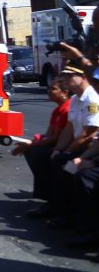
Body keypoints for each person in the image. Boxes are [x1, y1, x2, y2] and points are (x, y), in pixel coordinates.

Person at [38, 65, 99, 228]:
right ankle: (54, 204)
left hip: (87, 148)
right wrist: (58, 149)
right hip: (77, 145)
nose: (66, 80)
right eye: (64, 76)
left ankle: (70, 215)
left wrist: (67, 152)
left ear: (83, 77)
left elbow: (88, 133)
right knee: (44, 156)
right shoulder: (74, 100)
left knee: (66, 167)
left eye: (70, 76)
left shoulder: (92, 100)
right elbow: (69, 128)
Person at [21, 77, 72, 216]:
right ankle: (48, 198)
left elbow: (56, 138)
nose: (49, 92)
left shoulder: (67, 109)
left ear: (65, 92)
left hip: (65, 146)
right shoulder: (57, 110)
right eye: (49, 88)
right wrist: (33, 141)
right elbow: (49, 134)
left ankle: (53, 201)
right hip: (56, 144)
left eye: (53, 89)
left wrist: (33, 143)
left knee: (39, 154)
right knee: (32, 151)